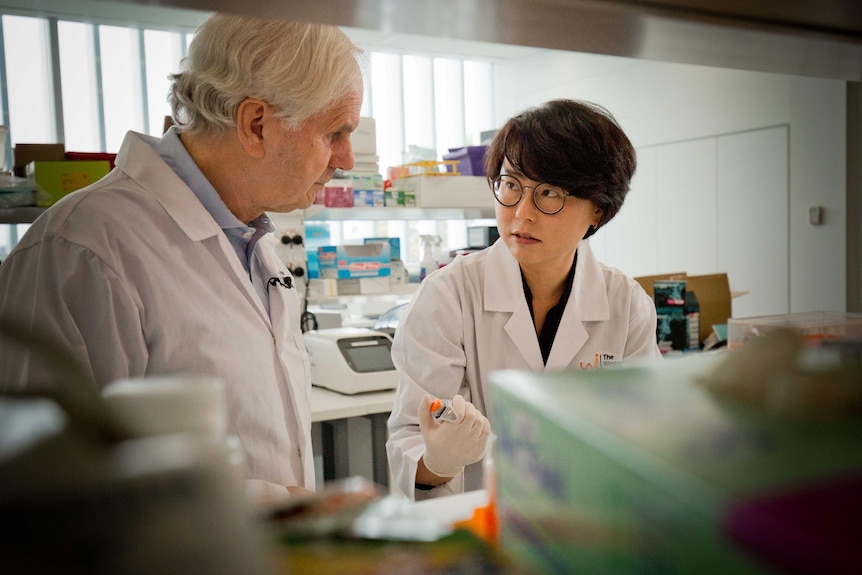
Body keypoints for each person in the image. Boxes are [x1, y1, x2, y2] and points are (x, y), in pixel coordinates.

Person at [0, 13, 364, 506]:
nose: (346, 159)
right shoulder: (80, 251)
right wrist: (269, 506)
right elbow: (41, 490)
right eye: (335, 133)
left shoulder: (251, 241)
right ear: (255, 125)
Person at [386, 99, 662, 500]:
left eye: (549, 193)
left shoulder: (626, 304)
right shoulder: (449, 295)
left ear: (599, 209)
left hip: (589, 524)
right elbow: (409, 446)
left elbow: (644, 436)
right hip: (480, 529)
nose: (522, 213)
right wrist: (440, 460)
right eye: (511, 185)